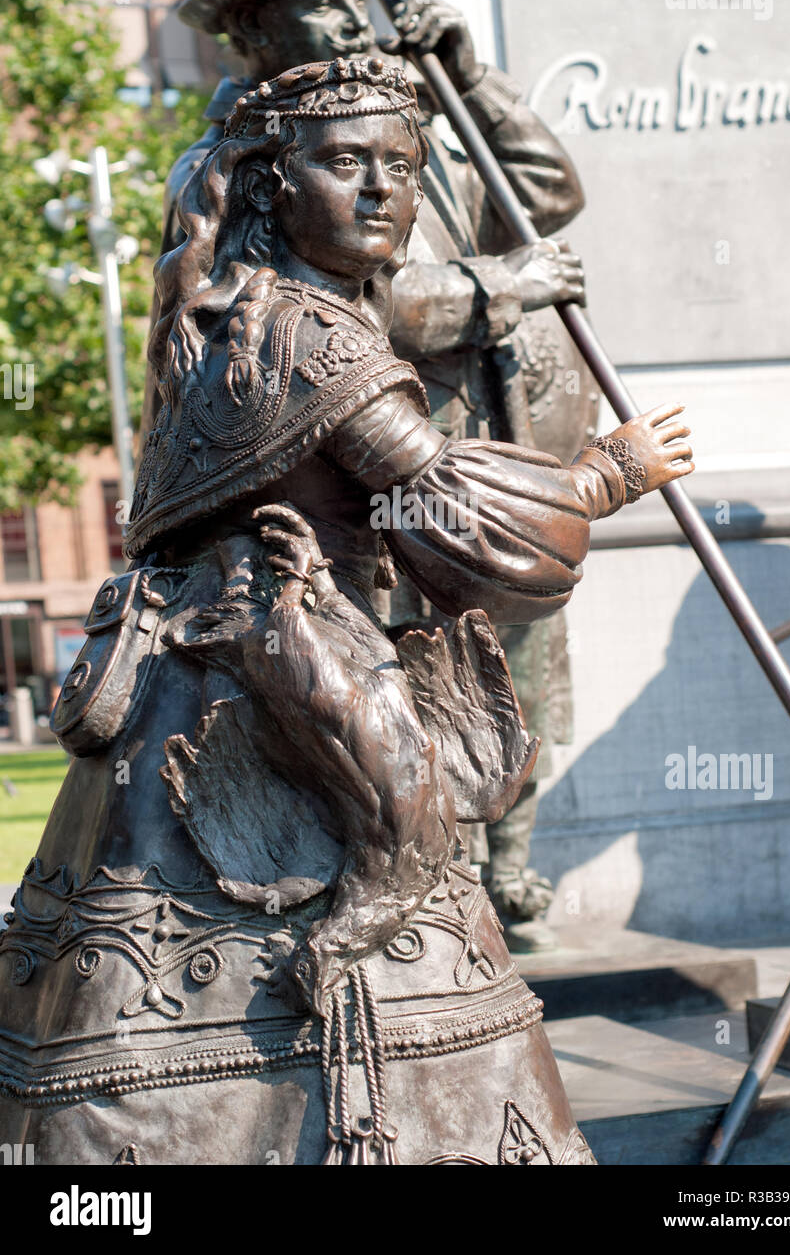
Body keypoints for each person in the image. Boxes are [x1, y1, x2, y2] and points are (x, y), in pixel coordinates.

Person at [0, 59, 694, 1165]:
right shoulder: (317, 346)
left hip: (191, 665)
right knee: (403, 825)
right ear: (275, 186)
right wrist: (606, 476)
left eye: (402, 166)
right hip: (277, 643)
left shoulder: (236, 309)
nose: (381, 190)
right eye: (345, 162)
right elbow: (461, 520)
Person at [141, 0, 598, 945]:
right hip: (363, 464)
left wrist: (465, 75)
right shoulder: (248, 163)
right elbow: (317, 318)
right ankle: (439, 873)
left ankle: (509, 860)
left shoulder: (403, 121)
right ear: (256, 29)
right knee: (406, 660)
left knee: (511, 645)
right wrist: (498, 288)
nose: (358, 9)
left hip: (495, 433)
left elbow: (541, 192)